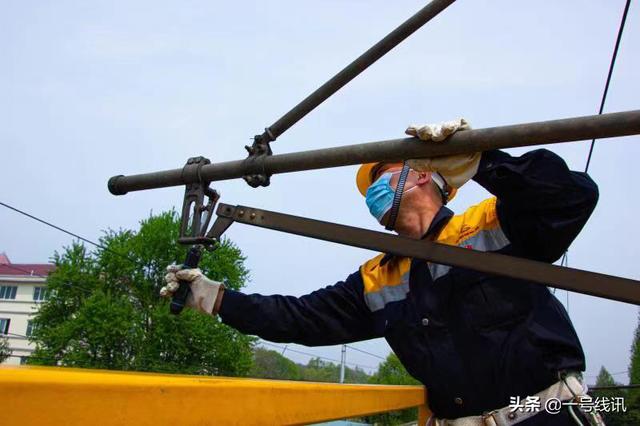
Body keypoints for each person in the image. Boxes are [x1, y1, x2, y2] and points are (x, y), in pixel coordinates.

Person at [161, 119, 602, 425]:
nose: (373, 191)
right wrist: (214, 296)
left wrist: (481, 161)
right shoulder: (378, 278)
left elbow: (570, 197)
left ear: (427, 175)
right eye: (368, 187)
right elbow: (297, 316)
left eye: (383, 174)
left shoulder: (490, 223)